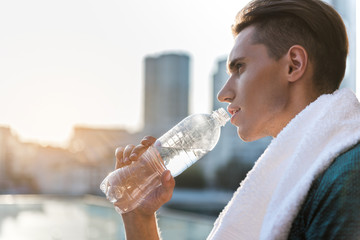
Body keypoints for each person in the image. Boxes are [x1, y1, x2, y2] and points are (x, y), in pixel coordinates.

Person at [113, 0, 360, 239]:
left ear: (293, 65)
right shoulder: (301, 172)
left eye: (240, 68)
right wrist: (139, 217)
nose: (223, 94)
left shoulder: (349, 179)